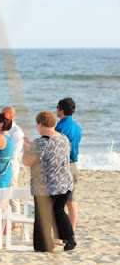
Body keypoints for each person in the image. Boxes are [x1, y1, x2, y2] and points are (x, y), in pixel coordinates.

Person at [22, 110, 76, 252]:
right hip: (64, 183)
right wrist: (32, 148)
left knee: (42, 217)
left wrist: (26, 149)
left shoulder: (41, 143)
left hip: (46, 187)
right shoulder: (64, 138)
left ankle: (44, 245)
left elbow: (26, 161)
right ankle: (70, 238)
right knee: (58, 211)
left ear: (40, 124)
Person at [55, 97, 81, 232]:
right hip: (73, 165)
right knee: (71, 202)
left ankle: (63, 233)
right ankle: (71, 231)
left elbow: (56, 146)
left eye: (57, 108)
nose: (56, 110)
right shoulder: (77, 127)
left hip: (63, 166)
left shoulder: (61, 126)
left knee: (59, 203)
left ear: (61, 110)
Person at [2, 106, 25, 221]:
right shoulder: (4, 129)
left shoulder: (17, 131)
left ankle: (16, 222)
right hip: (2, 163)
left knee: (12, 192)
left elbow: (14, 152)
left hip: (11, 164)